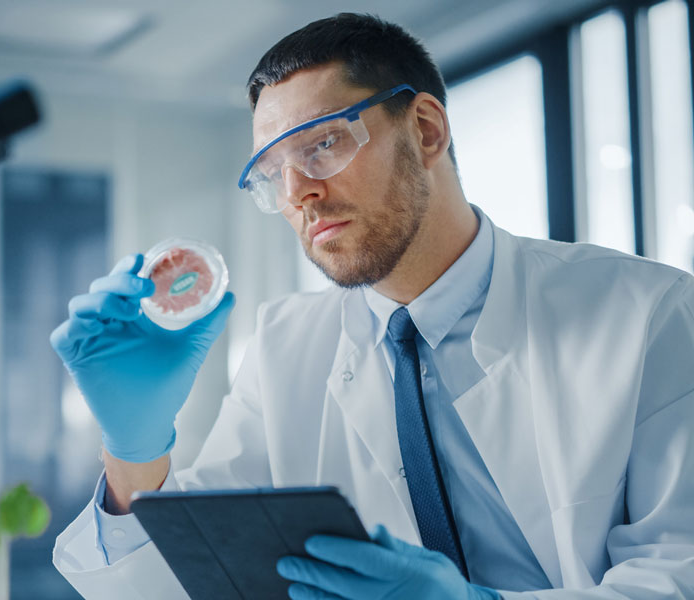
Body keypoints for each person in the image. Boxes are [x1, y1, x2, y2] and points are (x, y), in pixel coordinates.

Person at [50, 13, 694, 600]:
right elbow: (194, 582)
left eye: (320, 145)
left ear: (425, 130)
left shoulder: (648, 313)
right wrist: (133, 450)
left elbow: (678, 573)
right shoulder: (283, 349)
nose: (298, 192)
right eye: (272, 172)